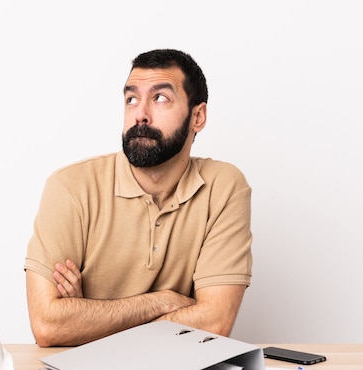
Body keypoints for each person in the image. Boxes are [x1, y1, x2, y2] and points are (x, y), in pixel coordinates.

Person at [24, 49, 252, 347]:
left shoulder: (224, 187)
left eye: (160, 98)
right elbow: (48, 325)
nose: (140, 114)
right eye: (131, 99)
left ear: (198, 116)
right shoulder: (70, 187)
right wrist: (161, 302)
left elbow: (215, 322)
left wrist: (87, 321)